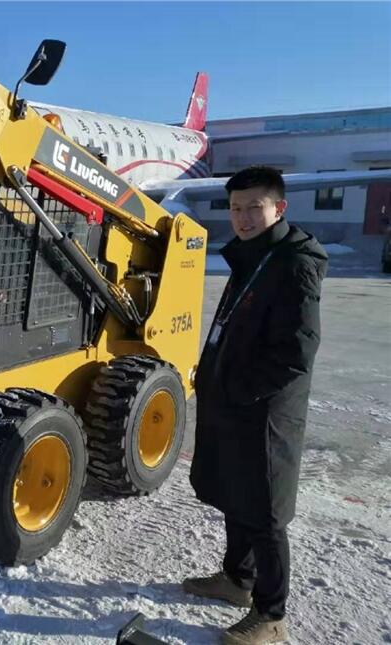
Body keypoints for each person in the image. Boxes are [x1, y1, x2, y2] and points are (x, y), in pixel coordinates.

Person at [184, 166, 328, 644]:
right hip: (234, 399)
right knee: (235, 493)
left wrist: (242, 390)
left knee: (265, 510)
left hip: (267, 410)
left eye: (254, 207)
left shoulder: (292, 263)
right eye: (236, 208)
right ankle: (236, 581)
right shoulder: (252, 255)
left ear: (278, 208)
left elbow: (297, 350)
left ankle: (271, 616)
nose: (243, 217)